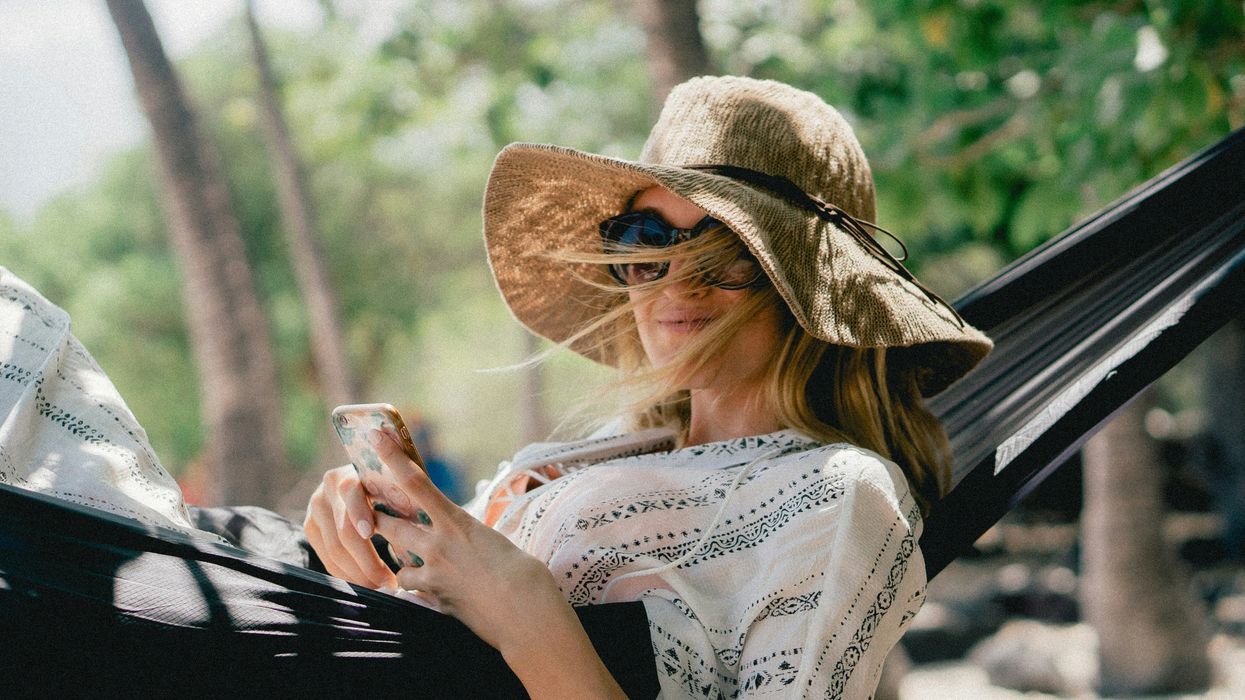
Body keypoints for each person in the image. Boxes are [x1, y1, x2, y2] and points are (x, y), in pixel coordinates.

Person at [304, 75, 992, 698]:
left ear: (808, 291)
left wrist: (528, 614)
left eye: (722, 253)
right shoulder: (607, 451)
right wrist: (379, 561)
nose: (674, 283)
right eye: (645, 240)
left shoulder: (836, 497)